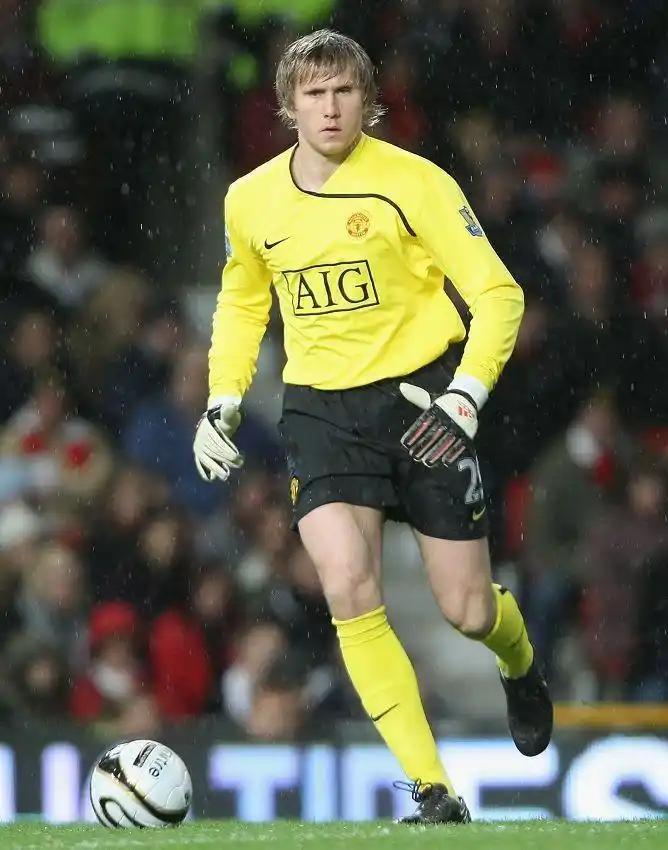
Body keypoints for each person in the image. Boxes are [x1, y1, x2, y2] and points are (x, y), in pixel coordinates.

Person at [193, 29, 552, 825]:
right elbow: (243, 301)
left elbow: (499, 295)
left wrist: (466, 396)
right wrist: (223, 398)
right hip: (321, 411)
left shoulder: (415, 183)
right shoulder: (249, 199)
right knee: (348, 587)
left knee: (467, 609)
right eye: (313, 93)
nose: (329, 107)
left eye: (344, 91)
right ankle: (434, 790)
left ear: (368, 101)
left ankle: (519, 660)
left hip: (424, 403)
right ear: (287, 107)